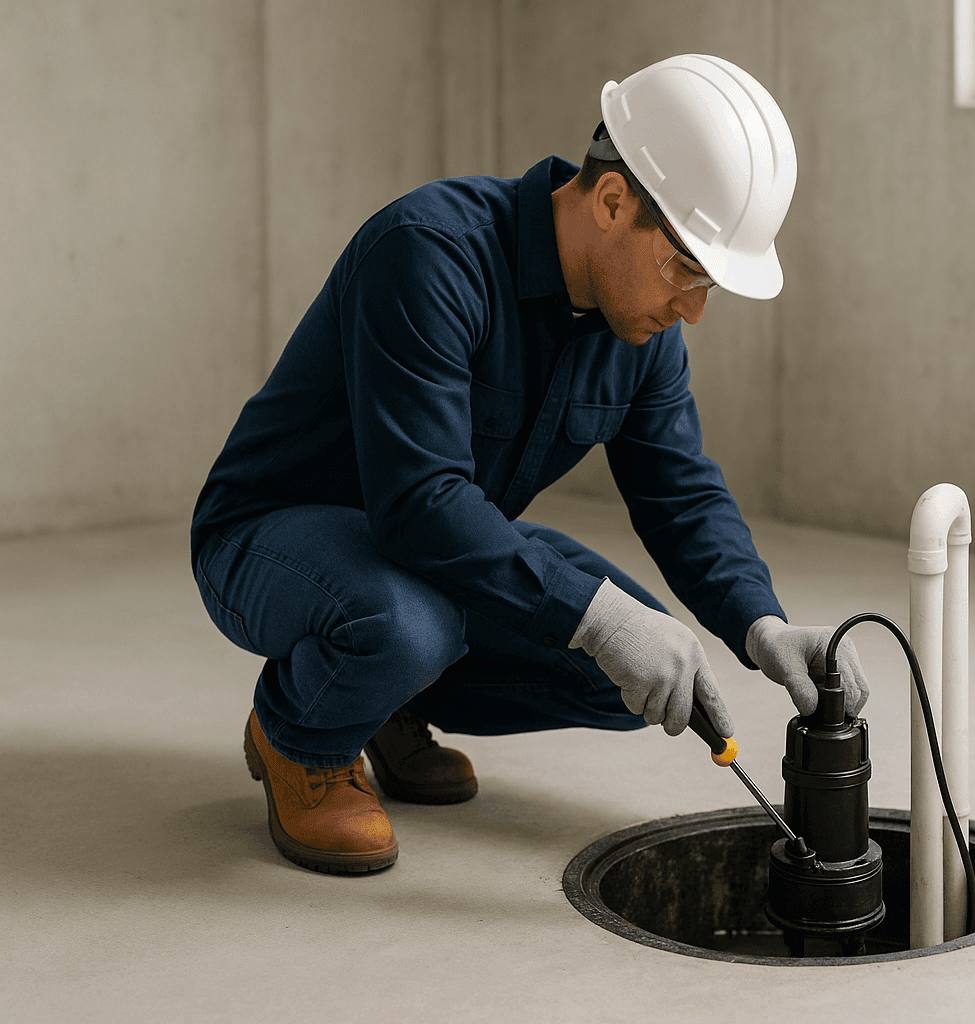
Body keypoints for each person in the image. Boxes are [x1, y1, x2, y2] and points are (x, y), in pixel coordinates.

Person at [191, 54, 868, 875]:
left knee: (637, 674)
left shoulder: (641, 333)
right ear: (613, 201)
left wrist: (760, 624)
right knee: (423, 624)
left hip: (421, 554)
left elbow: (680, 493)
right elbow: (420, 502)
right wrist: (599, 617)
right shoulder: (431, 253)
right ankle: (300, 732)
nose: (693, 308)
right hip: (269, 537)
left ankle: (381, 701)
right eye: (686, 269)